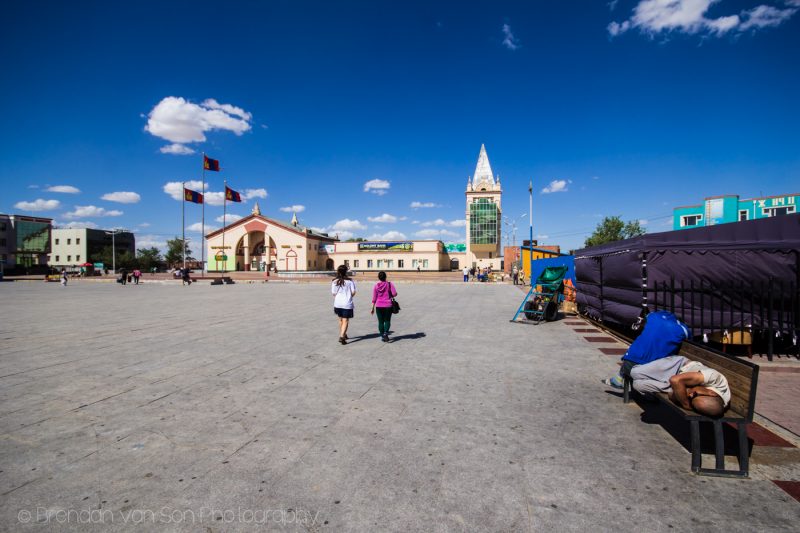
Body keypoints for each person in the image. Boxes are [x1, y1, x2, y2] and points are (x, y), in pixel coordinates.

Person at [602, 310, 690, 389]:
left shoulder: (654, 316)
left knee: (636, 351)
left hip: (627, 363)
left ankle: (620, 378)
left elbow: (646, 317)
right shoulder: (683, 329)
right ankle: (643, 392)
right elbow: (689, 337)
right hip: (647, 369)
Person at [331, 264, 356, 345]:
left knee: (340, 319)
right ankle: (342, 336)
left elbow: (333, 293)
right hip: (347, 303)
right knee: (346, 320)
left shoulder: (334, 281)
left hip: (337, 303)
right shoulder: (350, 281)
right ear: (346, 271)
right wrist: (348, 296)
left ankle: (344, 334)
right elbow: (353, 292)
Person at [371, 271, 398, 342]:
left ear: (379, 277)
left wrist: (372, 308)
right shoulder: (389, 284)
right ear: (385, 277)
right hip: (388, 305)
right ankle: (386, 333)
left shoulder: (376, 286)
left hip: (379, 306)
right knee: (387, 320)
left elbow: (374, 298)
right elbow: (394, 294)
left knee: (380, 322)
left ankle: (382, 336)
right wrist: (390, 295)